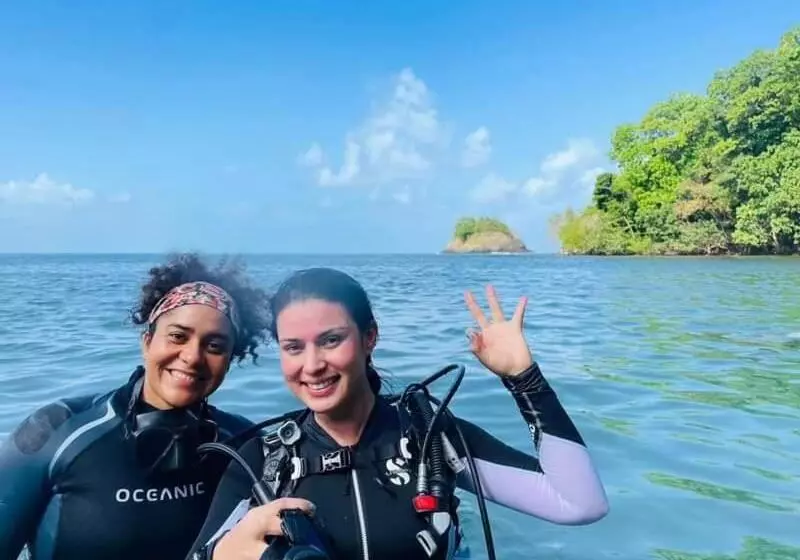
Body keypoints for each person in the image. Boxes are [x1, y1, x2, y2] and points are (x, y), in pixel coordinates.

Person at [186, 267, 609, 560]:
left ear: (370, 337)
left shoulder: (431, 439)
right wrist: (227, 551)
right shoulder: (263, 459)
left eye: (331, 340)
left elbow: (579, 504)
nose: (312, 364)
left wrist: (525, 379)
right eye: (293, 347)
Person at [0, 253, 272, 560]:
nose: (193, 356)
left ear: (229, 360)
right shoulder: (58, 431)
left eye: (214, 346)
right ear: (147, 341)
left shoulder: (243, 443)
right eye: (177, 336)